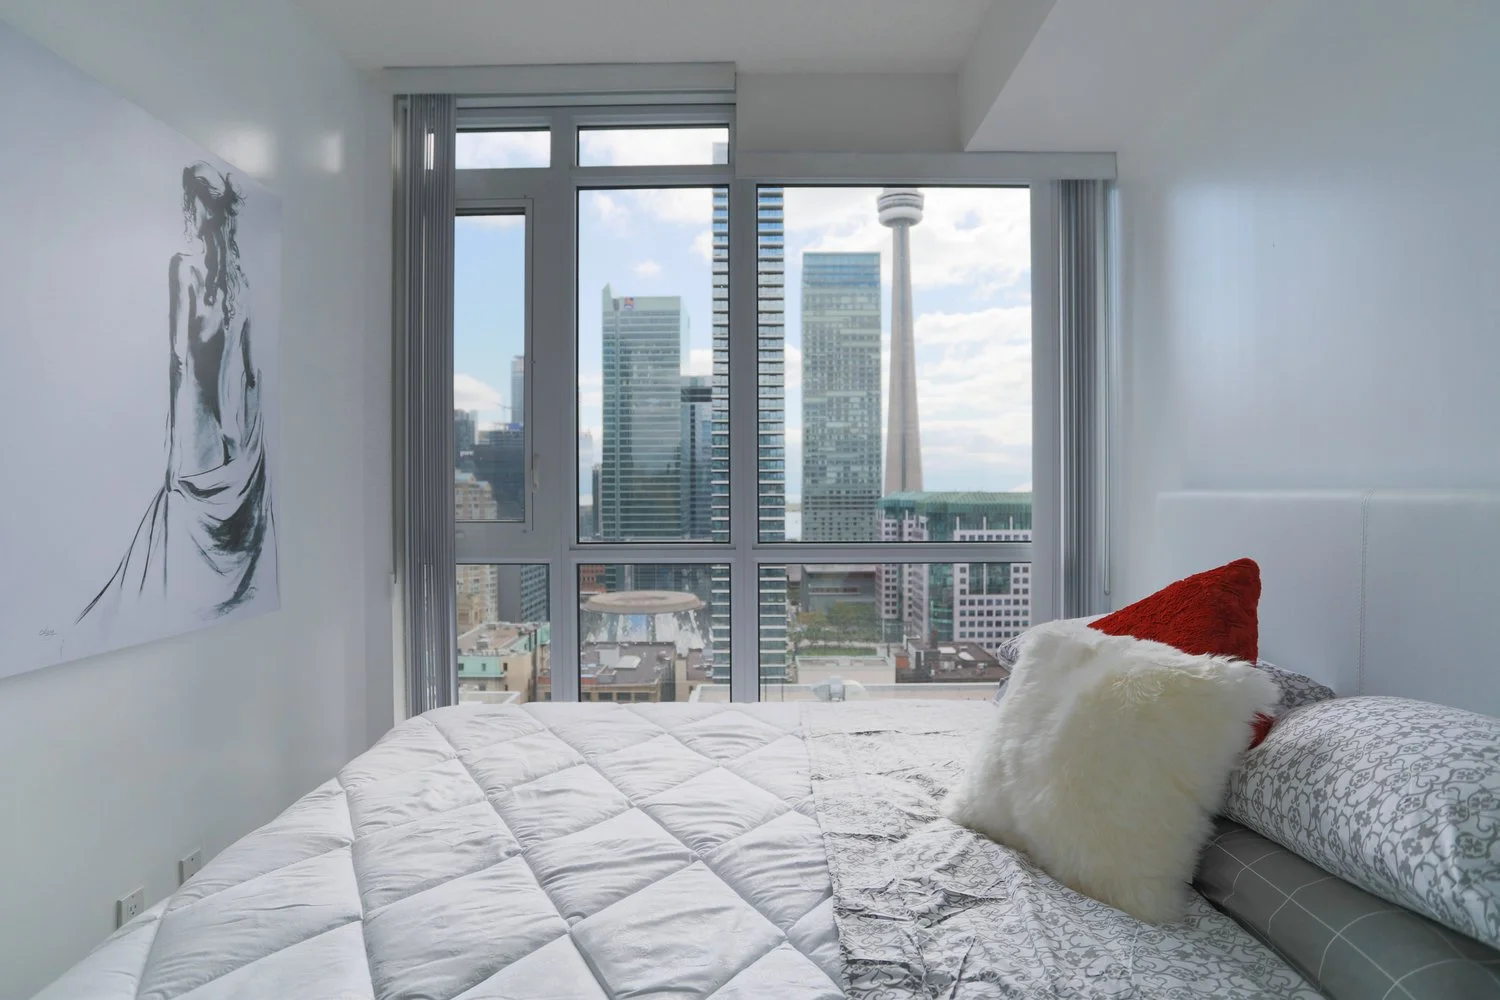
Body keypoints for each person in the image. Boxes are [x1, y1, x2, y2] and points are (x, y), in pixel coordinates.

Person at [77, 162, 276, 631]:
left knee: (178, 531)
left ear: (199, 205)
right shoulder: (242, 283)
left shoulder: (183, 268)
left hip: (198, 430)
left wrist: (172, 447)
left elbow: (180, 360)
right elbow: (251, 372)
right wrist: (248, 436)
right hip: (239, 437)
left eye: (191, 199)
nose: (188, 208)